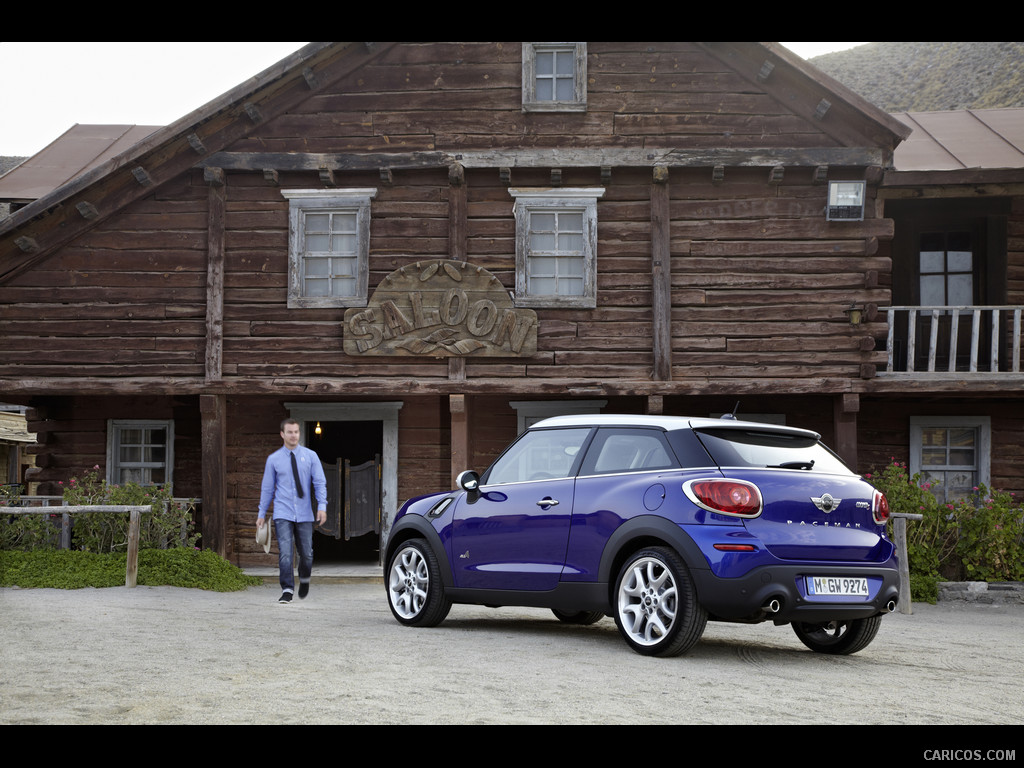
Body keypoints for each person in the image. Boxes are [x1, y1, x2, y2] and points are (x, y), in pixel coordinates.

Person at [257, 418, 327, 604]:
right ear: (282, 434)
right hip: (283, 512)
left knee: (307, 553)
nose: (293, 435)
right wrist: (261, 514)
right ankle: (287, 589)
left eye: (296, 432)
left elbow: (319, 483)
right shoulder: (273, 460)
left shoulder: (311, 456)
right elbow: (267, 488)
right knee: (286, 553)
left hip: (305, 514)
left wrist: (322, 506)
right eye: (290, 432)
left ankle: (304, 579)